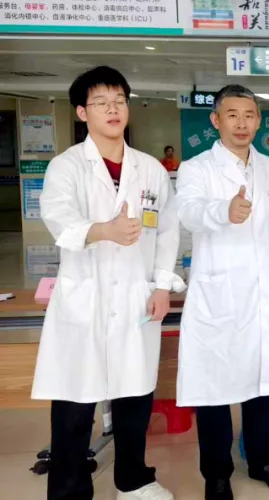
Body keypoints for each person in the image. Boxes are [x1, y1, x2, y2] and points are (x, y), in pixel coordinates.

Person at [34, 66, 183, 500]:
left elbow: (167, 230)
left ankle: (133, 482)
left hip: (137, 296)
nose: (113, 109)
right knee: (74, 406)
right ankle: (68, 491)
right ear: (82, 112)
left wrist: (161, 285)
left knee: (134, 398)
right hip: (85, 298)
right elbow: (59, 219)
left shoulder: (149, 169)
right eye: (101, 103)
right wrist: (104, 231)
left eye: (119, 101)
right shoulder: (66, 167)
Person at [173, 85, 269, 500]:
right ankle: (217, 473)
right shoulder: (197, 168)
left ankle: (262, 460)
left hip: (264, 290)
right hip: (220, 293)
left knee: (263, 382)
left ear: (258, 121)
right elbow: (188, 212)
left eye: (249, 115)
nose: (241, 123)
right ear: (216, 120)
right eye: (232, 115)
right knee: (215, 387)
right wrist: (222, 211)